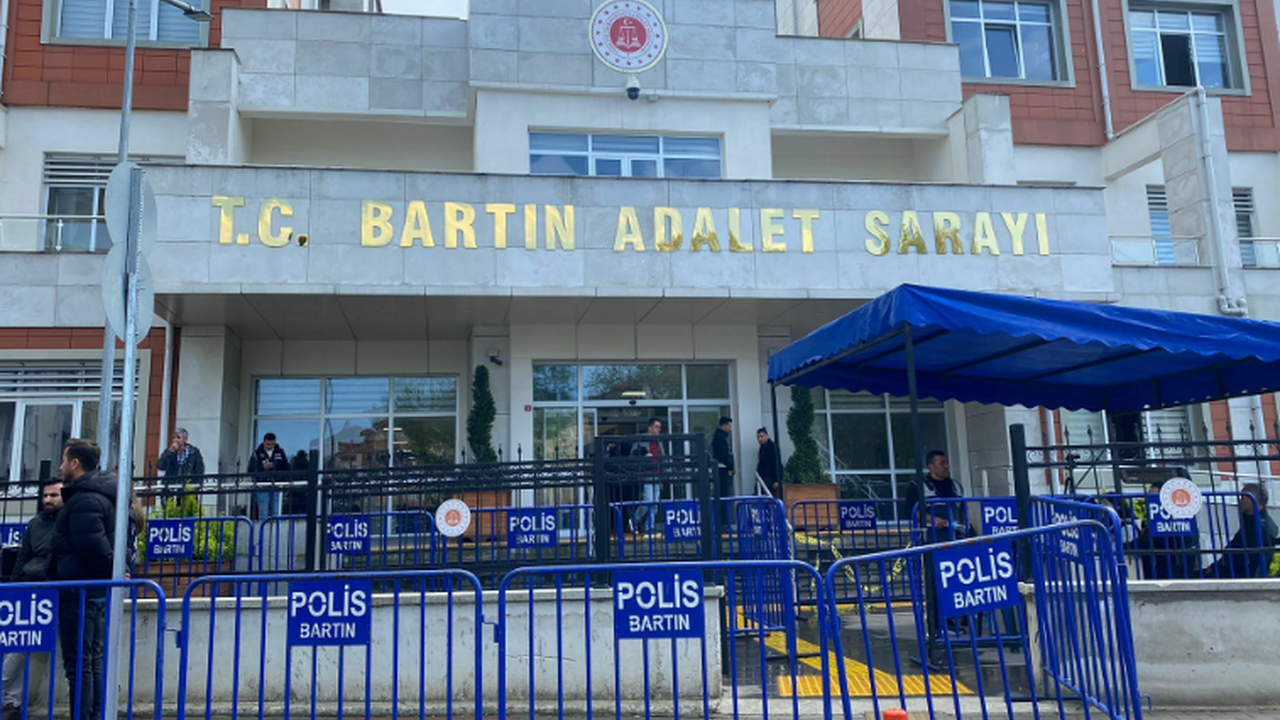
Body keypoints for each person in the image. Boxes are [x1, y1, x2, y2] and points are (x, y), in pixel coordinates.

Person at [47, 439, 121, 720]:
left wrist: (108, 570)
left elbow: (92, 546)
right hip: (91, 591)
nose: (60, 466)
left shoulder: (83, 499)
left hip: (79, 591)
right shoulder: (99, 494)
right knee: (91, 660)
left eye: (64, 460)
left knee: (79, 665)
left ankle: (86, 715)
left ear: (75, 463)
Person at [0, 479, 63, 720]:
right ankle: (7, 697)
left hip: (51, 590)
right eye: (45, 495)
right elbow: (22, 557)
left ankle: (12, 702)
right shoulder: (35, 523)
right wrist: (13, 588)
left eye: (54, 495)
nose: (48, 500)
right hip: (28, 589)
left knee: (35, 650)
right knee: (16, 647)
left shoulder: (67, 522)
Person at [1207, 483, 1277, 579]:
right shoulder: (1253, 522)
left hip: (1242, 576)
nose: (1240, 501)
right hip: (1239, 573)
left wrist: (1216, 568)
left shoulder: (1257, 526)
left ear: (1252, 499)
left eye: (1242, 497)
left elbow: (1240, 557)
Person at [900, 450, 971, 541]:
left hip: (956, 537)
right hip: (931, 538)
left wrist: (965, 523)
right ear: (931, 467)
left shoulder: (956, 485)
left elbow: (962, 508)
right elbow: (909, 511)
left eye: (947, 463)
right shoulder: (918, 486)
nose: (947, 466)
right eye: (942, 463)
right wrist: (931, 519)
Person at [629, 418, 664, 534]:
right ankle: (634, 520)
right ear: (650, 428)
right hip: (647, 473)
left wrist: (666, 470)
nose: (659, 429)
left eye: (659, 427)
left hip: (657, 474)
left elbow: (663, 457)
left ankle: (650, 527)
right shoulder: (641, 439)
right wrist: (644, 456)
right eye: (656, 427)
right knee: (649, 500)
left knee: (654, 503)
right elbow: (633, 456)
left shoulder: (659, 441)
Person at [248, 433, 289, 521]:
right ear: (264, 442)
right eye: (268, 444)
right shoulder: (256, 453)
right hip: (262, 485)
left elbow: (286, 468)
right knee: (263, 512)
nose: (270, 446)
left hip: (276, 484)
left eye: (272, 444)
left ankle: (275, 529)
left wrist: (286, 481)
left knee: (276, 511)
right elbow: (250, 470)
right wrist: (262, 468)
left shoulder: (280, 453)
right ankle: (264, 529)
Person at [712, 417, 735, 499]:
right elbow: (724, 455)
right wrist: (730, 466)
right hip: (723, 471)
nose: (730, 429)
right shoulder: (720, 439)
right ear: (724, 426)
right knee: (724, 494)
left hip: (723, 470)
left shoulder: (720, 438)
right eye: (729, 426)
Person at [756, 428, 780, 495]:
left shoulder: (773, 447)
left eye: (761, 436)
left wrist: (777, 480)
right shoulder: (762, 448)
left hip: (770, 478)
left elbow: (777, 464)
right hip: (764, 477)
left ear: (767, 436)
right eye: (758, 437)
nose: (760, 439)